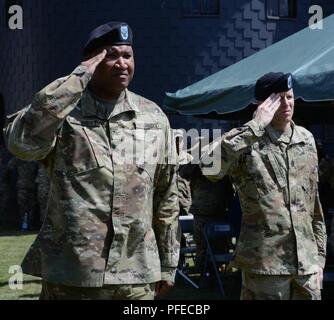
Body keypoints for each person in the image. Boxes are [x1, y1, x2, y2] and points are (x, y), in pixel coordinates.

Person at [4, 21, 179, 300]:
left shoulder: (154, 117)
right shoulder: (63, 115)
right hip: (74, 275)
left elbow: (167, 195)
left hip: (136, 276)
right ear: (92, 61)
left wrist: (169, 263)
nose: (122, 63)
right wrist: (78, 77)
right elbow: (22, 143)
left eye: (127, 55)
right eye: (111, 55)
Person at [201, 72, 327, 300]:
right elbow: (209, 167)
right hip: (265, 267)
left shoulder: (306, 139)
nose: (287, 103)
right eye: (279, 98)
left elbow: (313, 206)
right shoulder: (245, 141)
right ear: (262, 104)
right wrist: (254, 126)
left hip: (306, 267)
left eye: (290, 97)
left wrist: (319, 258)